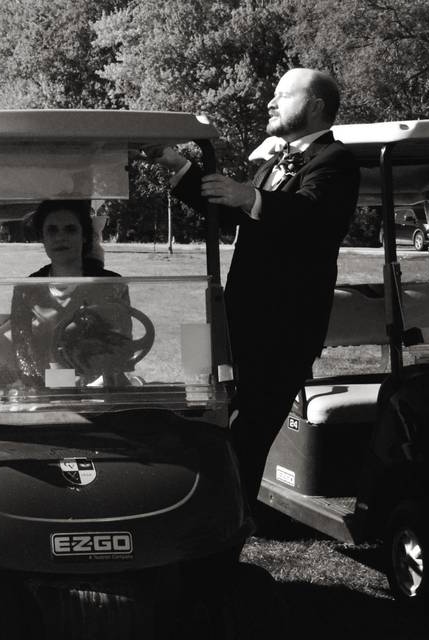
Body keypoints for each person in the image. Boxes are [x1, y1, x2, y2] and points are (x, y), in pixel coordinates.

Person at [151, 68, 360, 510]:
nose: (270, 102)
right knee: (218, 427)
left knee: (246, 437)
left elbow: (311, 214)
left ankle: (228, 535)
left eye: (282, 94)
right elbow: (229, 217)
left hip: (284, 333)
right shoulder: (274, 163)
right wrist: (180, 167)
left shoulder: (335, 162)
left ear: (317, 105)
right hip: (239, 323)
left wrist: (249, 196)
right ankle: (217, 518)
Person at [11, 200, 131, 387]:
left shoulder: (113, 285)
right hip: (49, 391)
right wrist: (42, 391)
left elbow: (123, 347)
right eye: (52, 230)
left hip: (103, 390)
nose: (61, 237)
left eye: (70, 229)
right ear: (42, 237)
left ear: (84, 236)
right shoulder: (26, 290)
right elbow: (23, 355)